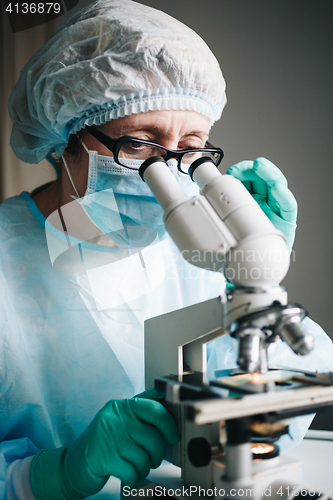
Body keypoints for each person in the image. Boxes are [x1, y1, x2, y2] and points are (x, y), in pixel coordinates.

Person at [1, 0, 333, 498]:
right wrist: (53, 473)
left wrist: (252, 276)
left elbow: (271, 396)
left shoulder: (197, 247)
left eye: (192, 146)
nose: (173, 168)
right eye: (140, 142)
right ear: (65, 136)